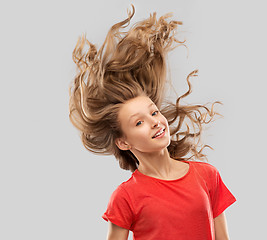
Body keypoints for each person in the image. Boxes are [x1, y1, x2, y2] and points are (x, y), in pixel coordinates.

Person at [69, 5, 236, 240]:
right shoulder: (125, 197)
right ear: (123, 142)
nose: (155, 122)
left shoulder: (208, 176)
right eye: (139, 123)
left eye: (154, 113)